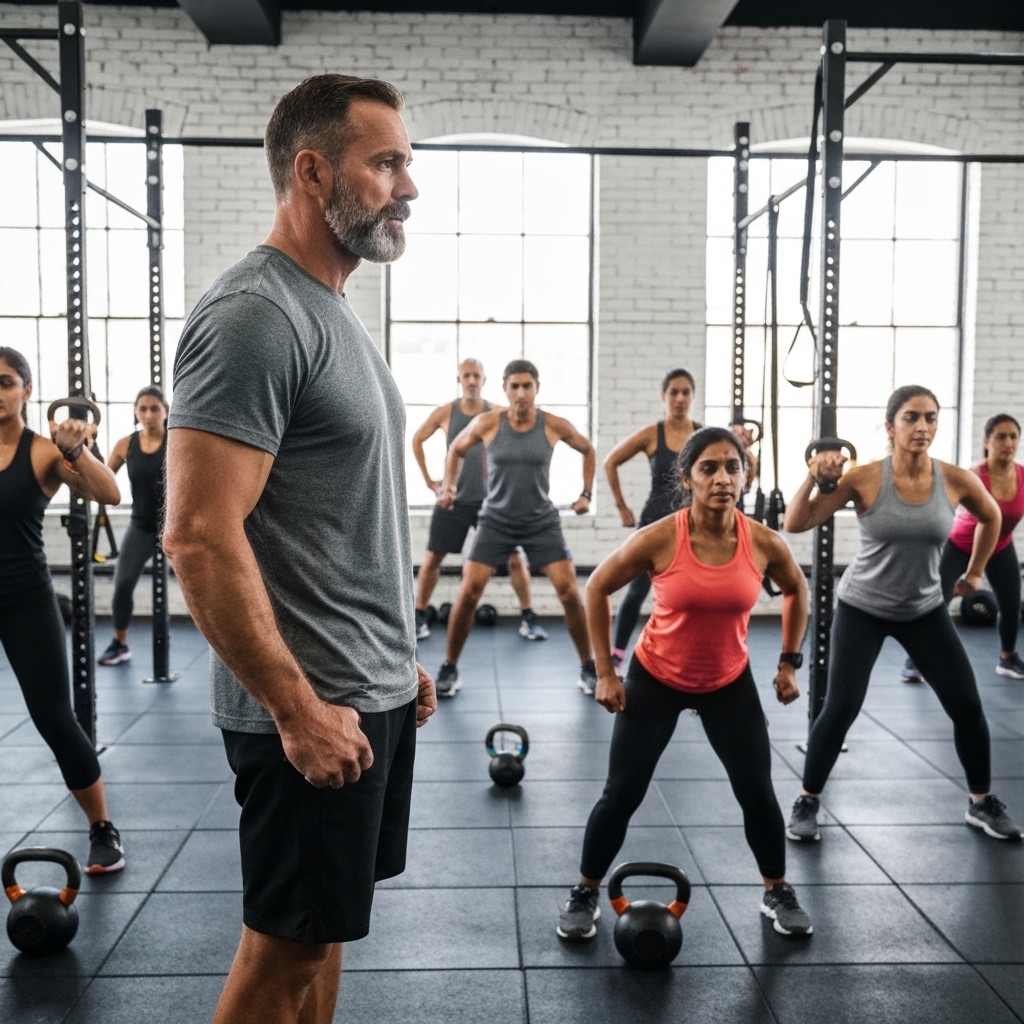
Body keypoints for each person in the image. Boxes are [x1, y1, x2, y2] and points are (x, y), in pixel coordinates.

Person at [163, 75, 436, 1024]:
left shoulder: (329, 308)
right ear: (314, 173)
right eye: (387, 162)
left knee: (320, 938)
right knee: (281, 952)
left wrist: (394, 659)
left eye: (408, 161)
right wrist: (296, 709)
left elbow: (334, 515)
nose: (409, 186)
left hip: (361, 687)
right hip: (311, 705)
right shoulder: (256, 315)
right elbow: (198, 535)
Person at [558, 426, 814, 941]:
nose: (723, 477)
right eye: (709, 468)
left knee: (758, 793)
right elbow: (598, 587)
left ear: (746, 476)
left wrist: (789, 662)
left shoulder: (762, 542)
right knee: (622, 793)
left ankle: (777, 889)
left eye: (732, 467)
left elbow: (796, 589)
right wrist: (605, 673)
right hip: (657, 677)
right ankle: (585, 891)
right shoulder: (660, 537)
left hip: (727, 681)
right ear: (687, 478)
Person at [785, 386, 1022, 844]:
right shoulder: (866, 478)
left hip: (924, 609)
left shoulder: (954, 479)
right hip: (863, 608)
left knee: (968, 707)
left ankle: (981, 802)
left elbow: (992, 517)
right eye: (911, 418)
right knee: (840, 709)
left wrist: (974, 572)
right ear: (890, 426)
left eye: (931, 418)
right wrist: (814, 477)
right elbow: (796, 522)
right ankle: (807, 800)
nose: (923, 427)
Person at [0, 346, 126, 872]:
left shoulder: (43, 451)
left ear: (27, 391)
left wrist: (76, 452)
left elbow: (110, 492)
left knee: (54, 716)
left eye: (6, 382)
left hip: (23, 597)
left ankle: (102, 828)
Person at [434, 359, 596, 696]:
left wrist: (586, 494)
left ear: (537, 388)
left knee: (568, 592)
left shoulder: (553, 424)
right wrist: (448, 486)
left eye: (527, 386)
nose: (521, 393)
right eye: (515, 386)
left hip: (540, 521)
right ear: (505, 389)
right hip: (496, 520)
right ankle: (449, 667)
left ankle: (589, 667)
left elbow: (587, 449)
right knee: (469, 591)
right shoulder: (489, 422)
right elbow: (456, 449)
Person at [411, 357, 543, 642]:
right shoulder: (446, 412)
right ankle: (419, 615)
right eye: (467, 375)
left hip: (492, 502)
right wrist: (431, 482)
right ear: (460, 380)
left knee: (516, 558)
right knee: (433, 557)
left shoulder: (496, 413)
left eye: (476, 376)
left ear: (484, 380)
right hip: (453, 500)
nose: (472, 380)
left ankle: (529, 617)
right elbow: (417, 439)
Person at [902, 413, 1024, 682]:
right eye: (1000, 436)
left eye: (1014, 436)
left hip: (1000, 546)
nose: (1008, 443)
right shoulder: (972, 476)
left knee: (1011, 603)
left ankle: (1008, 658)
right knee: (935, 603)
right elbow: (947, 511)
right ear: (986, 441)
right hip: (959, 545)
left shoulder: (1023, 476)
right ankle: (915, 661)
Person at [603, 368, 701, 667]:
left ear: (692, 397)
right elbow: (611, 462)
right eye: (674, 392)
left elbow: (740, 461)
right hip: (654, 524)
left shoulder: (702, 435)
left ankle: (693, 661)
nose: (680, 398)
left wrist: (748, 453)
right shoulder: (651, 434)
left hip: (692, 526)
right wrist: (621, 506)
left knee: (694, 597)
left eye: (686, 392)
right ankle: (616, 657)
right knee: (637, 591)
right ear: (663, 396)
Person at [97, 386, 168, 666]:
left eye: (155, 409)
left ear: (165, 412)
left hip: (176, 528)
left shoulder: (177, 442)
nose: (148, 415)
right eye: (142, 409)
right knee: (122, 584)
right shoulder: (126, 444)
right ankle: (120, 643)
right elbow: (103, 477)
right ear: (136, 412)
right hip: (141, 526)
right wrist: (87, 449)